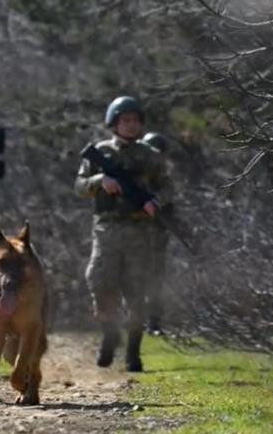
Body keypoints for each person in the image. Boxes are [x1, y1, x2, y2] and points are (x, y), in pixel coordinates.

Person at [74, 96, 172, 372]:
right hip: (107, 229)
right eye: (125, 120)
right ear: (114, 123)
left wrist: (156, 202)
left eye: (135, 121)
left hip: (140, 231)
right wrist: (99, 181)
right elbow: (79, 186)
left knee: (136, 291)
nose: (131, 125)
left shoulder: (150, 156)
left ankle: (133, 352)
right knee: (99, 281)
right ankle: (109, 333)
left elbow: (168, 187)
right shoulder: (101, 152)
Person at [141, 131, 171, 335]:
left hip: (156, 235)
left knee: (155, 280)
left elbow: (168, 199)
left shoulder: (163, 178)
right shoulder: (136, 174)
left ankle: (153, 323)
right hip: (132, 233)